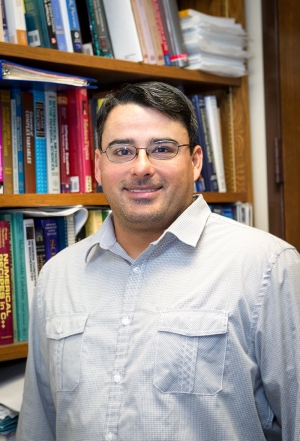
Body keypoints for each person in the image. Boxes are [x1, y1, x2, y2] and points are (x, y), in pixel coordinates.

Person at [17, 82, 300, 441]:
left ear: (195, 161)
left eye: (162, 149)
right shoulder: (57, 276)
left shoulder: (268, 268)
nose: (141, 167)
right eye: (122, 151)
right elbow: (38, 425)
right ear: (98, 166)